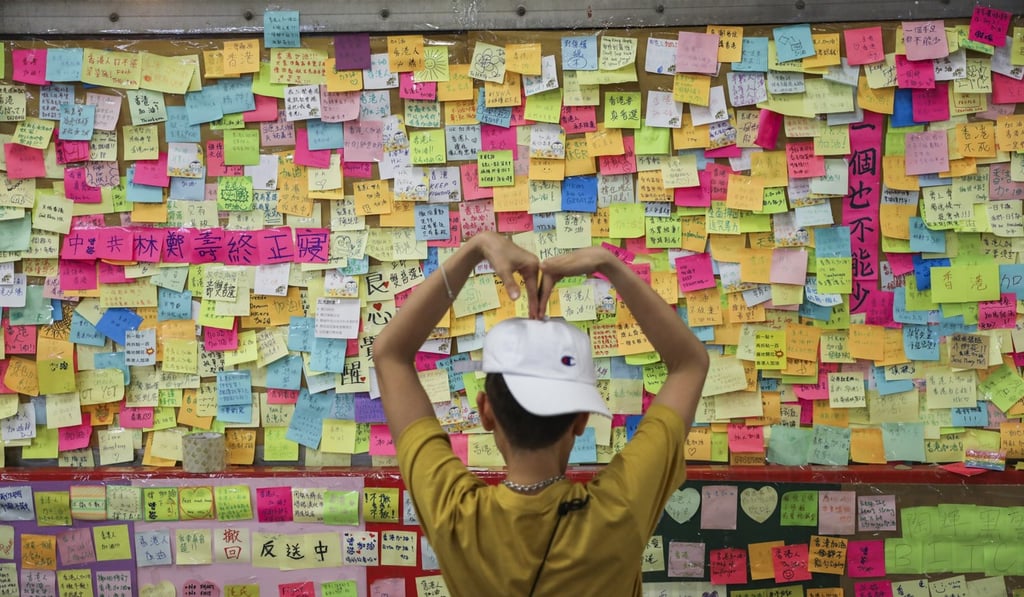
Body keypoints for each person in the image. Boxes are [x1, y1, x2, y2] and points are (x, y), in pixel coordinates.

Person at [373, 231, 710, 596]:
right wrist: (609, 264)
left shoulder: (454, 515)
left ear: (485, 412)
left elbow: (389, 353)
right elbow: (689, 364)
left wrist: (475, 248)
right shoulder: (620, 509)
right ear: (581, 420)